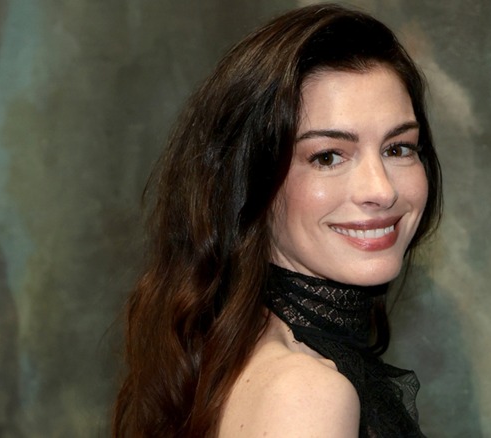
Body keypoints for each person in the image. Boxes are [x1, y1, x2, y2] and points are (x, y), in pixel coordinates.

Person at [112, 4, 441, 437]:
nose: (381, 190)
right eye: (327, 156)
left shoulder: (238, 347)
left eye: (398, 148)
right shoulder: (306, 394)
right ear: (250, 182)